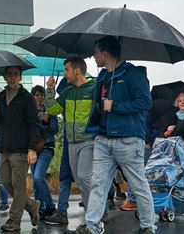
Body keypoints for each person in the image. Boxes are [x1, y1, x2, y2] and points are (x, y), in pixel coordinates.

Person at [70, 36, 155, 234]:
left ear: (105, 53)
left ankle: (148, 226)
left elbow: (145, 102)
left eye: (96, 52)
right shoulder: (102, 77)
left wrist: (115, 106)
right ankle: (92, 225)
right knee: (99, 183)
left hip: (128, 139)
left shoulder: (133, 74)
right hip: (103, 138)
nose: (94, 56)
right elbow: (99, 104)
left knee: (138, 184)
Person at [0, 66, 41, 232]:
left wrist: (32, 148)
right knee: (6, 181)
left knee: (18, 185)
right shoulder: (0, 97)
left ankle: (14, 220)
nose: (12, 77)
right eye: (9, 74)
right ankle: (32, 205)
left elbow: (34, 124)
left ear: (20, 77)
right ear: (5, 77)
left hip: (21, 148)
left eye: (15, 74)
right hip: (4, 147)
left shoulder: (26, 98)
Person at [44, 58, 96, 215]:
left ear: (77, 71)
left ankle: (94, 214)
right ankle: (92, 214)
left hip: (89, 140)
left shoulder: (93, 88)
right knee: (80, 181)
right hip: (71, 142)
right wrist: (50, 90)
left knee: (84, 177)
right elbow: (53, 109)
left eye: (66, 70)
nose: (65, 74)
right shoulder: (68, 92)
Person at [30, 85, 59, 217]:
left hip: (47, 147)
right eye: (36, 95)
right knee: (34, 181)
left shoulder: (50, 110)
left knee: (38, 177)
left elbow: (55, 130)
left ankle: (51, 206)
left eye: (41, 95)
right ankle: (39, 208)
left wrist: (46, 122)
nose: (39, 97)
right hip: (33, 148)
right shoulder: (29, 111)